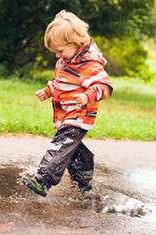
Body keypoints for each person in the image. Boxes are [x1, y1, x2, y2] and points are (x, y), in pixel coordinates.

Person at [22, 10, 113, 196]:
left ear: (77, 43)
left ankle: (43, 180)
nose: (57, 56)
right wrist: (48, 91)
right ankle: (83, 178)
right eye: (55, 52)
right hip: (66, 114)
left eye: (60, 51)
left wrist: (87, 96)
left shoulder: (89, 64)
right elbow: (61, 83)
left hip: (79, 116)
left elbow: (105, 86)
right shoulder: (66, 61)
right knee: (72, 148)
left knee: (61, 145)